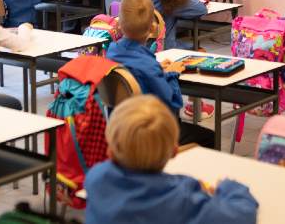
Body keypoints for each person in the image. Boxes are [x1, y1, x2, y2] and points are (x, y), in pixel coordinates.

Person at [84, 95, 259, 224]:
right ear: (174, 151)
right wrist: (229, 187)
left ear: (110, 152)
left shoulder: (96, 179)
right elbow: (242, 215)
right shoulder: (182, 196)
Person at [106, 0, 215, 148]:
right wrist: (171, 73)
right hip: (150, 134)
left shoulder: (112, 52)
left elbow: (138, 68)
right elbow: (172, 104)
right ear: (153, 27)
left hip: (120, 130)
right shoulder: (149, 67)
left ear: (118, 25)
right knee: (211, 137)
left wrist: (156, 67)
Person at [129, 0, 211, 119]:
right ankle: (193, 105)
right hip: (165, 52)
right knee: (200, 51)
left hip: (136, 53)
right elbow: (200, 9)